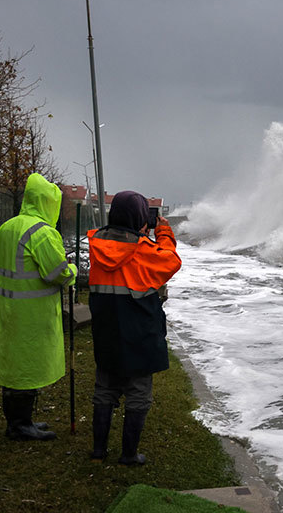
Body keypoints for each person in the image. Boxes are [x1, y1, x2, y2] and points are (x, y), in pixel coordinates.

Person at [87, 191, 181, 465]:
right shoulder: (143, 250)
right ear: (141, 218)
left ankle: (98, 450)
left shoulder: (96, 245)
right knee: (138, 393)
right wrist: (163, 233)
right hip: (139, 335)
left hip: (107, 332)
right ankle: (128, 454)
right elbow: (171, 261)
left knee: (105, 388)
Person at [0, 172, 76, 441]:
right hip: (31, 313)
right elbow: (57, 273)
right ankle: (20, 425)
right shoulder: (42, 233)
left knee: (14, 365)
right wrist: (72, 269)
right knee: (27, 366)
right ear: (48, 203)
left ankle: (19, 421)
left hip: (5, 308)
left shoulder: (7, 227)